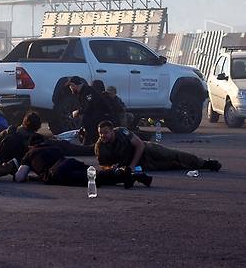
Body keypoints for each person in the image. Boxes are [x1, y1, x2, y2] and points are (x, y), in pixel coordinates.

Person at [14, 134, 152, 188]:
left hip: (57, 172)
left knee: (95, 180)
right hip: (69, 162)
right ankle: (126, 175)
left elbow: (20, 177)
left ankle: (121, 173)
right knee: (95, 175)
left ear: (31, 145)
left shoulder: (30, 153)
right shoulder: (54, 147)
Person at [95, 121, 222, 171]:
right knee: (172, 165)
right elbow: (103, 165)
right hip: (142, 165)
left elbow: (139, 145)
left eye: (106, 133)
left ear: (112, 131)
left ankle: (205, 164)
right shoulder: (100, 146)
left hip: (146, 151)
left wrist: (132, 166)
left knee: (174, 154)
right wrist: (112, 168)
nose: (103, 136)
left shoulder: (122, 132)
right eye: (100, 134)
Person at [66, 76, 114, 145]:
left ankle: (88, 144)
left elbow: (89, 107)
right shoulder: (82, 92)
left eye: (70, 86)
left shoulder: (87, 91)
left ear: (73, 85)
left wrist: (78, 112)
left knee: (86, 119)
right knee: (86, 120)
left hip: (104, 117)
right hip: (96, 116)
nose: (70, 88)